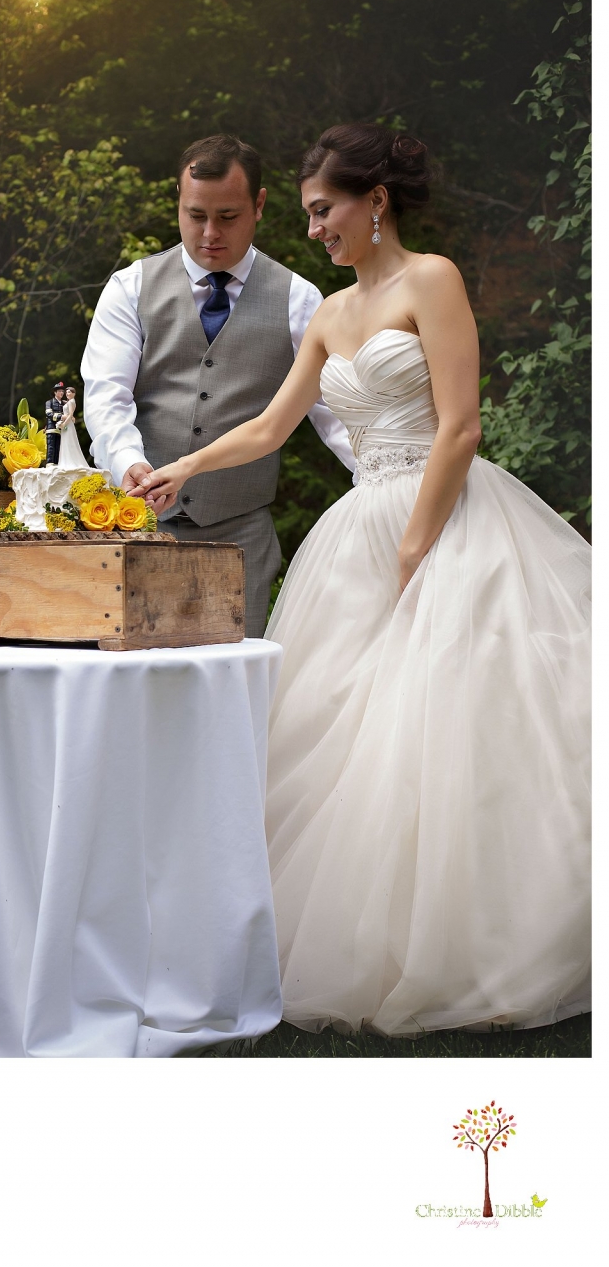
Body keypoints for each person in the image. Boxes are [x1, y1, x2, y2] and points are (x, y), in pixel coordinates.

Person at [136, 123, 591, 1037]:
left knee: (462, 724)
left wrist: (420, 547)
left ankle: (488, 937)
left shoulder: (435, 280)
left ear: (372, 200)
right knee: (340, 734)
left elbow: (460, 426)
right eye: (306, 215)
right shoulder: (336, 315)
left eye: (322, 210)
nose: (314, 230)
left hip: (450, 515)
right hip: (357, 530)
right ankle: (359, 942)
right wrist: (181, 470)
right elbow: (270, 426)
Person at [80, 133, 358, 636]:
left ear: (259, 205)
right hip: (135, 532)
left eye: (227, 217)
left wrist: (386, 485)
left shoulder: (298, 299)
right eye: (195, 215)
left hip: (241, 540)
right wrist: (130, 466)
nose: (209, 233)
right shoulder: (130, 288)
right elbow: (106, 398)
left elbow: (337, 416)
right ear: (179, 204)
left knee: (233, 694)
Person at [56, 385, 90, 469]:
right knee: (65, 441)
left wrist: (64, 424)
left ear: (73, 394)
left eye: (69, 392)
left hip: (68, 424)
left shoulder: (71, 402)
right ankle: (65, 460)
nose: (67, 394)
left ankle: (70, 461)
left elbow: (71, 414)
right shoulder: (69, 401)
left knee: (69, 441)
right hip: (67, 422)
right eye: (66, 392)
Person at [44, 382, 65, 466]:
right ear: (55, 392)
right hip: (51, 428)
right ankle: (49, 463)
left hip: (61, 429)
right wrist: (61, 416)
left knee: (58, 447)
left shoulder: (64, 403)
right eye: (59, 391)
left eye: (62, 391)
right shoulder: (49, 403)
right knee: (51, 446)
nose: (61, 393)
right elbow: (49, 414)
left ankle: (56, 463)